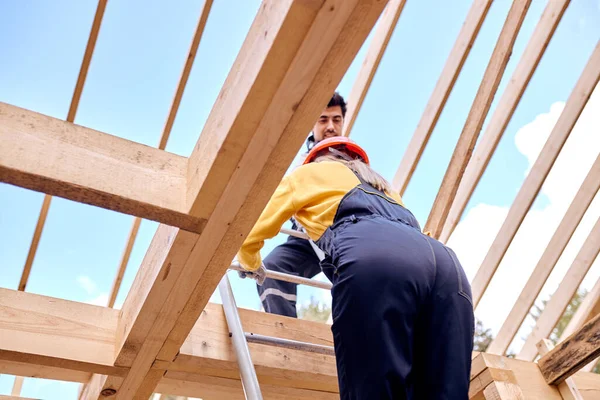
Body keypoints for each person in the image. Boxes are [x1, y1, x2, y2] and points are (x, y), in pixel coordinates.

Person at [236, 137, 475, 399]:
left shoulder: (309, 173)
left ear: (317, 158)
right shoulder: (384, 189)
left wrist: (250, 262)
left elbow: (252, 226)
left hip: (375, 256)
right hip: (447, 268)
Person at [254, 92, 347, 318]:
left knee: (354, 279)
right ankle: (283, 328)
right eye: (323, 120)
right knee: (273, 267)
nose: (331, 126)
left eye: (336, 120)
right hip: (305, 235)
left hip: (343, 229)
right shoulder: (299, 162)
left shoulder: (352, 158)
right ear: (312, 124)